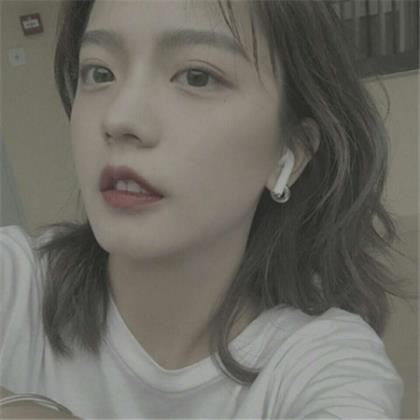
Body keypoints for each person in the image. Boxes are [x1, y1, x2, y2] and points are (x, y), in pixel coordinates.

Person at [0, 0, 412, 418]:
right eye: (100, 72)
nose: (120, 117)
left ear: (290, 151)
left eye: (197, 76)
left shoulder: (328, 367)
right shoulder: (18, 286)